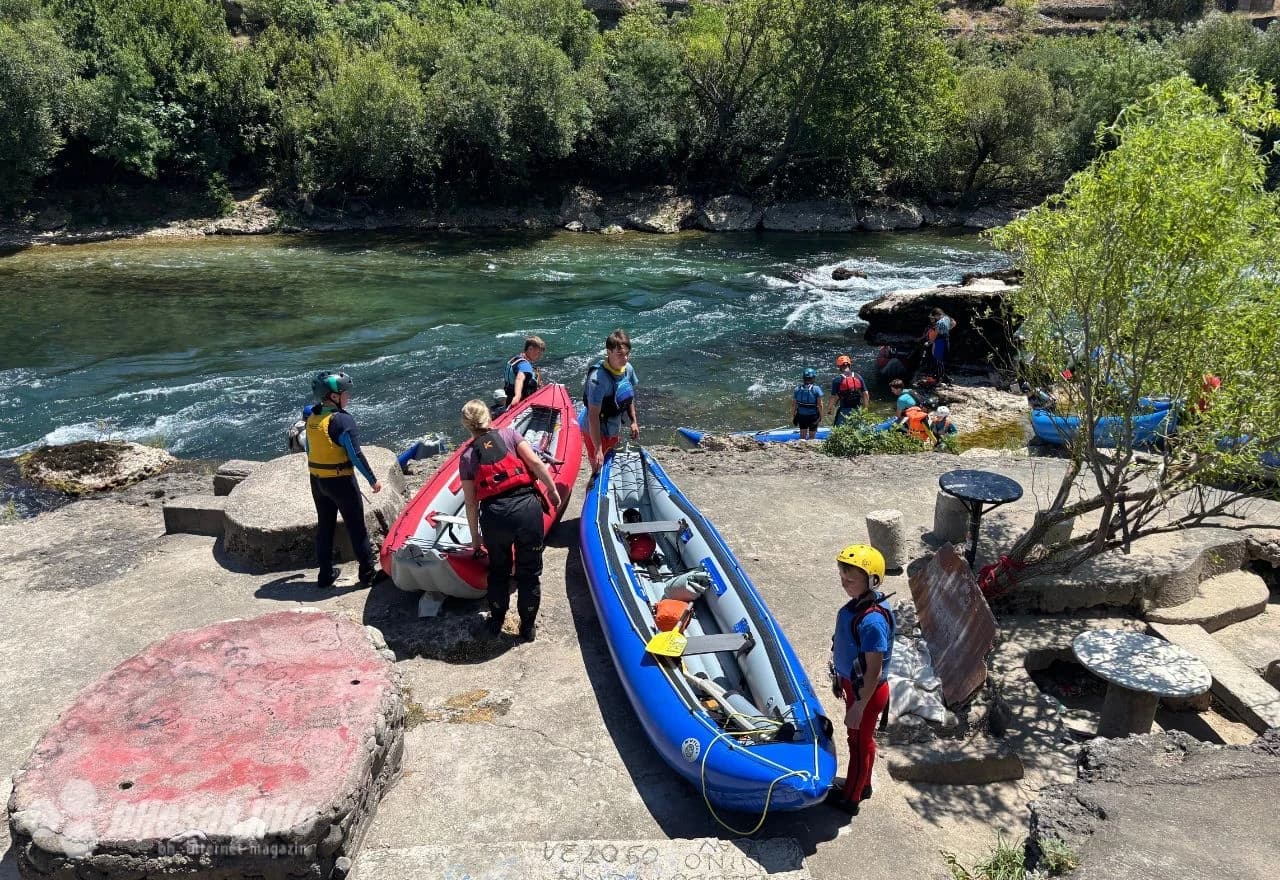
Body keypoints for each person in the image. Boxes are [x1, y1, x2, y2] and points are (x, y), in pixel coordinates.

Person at [460, 399, 562, 641]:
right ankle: (527, 627)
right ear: (489, 417)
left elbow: (471, 502)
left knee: (499, 571)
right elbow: (535, 463)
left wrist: (475, 538)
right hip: (526, 510)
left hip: (495, 517)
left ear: (467, 426)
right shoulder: (510, 435)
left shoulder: (467, 456)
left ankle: (496, 621)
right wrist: (552, 490)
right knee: (529, 573)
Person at [827, 544, 895, 815]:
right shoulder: (859, 606)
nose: (844, 583)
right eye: (842, 577)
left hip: (866, 693)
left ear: (872, 581)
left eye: (851, 580)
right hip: (856, 688)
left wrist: (858, 706)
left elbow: (874, 670)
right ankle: (863, 785)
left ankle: (850, 799)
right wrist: (839, 678)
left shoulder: (872, 622)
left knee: (857, 744)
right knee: (863, 740)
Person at [306, 371, 383, 589]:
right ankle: (367, 574)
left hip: (318, 481)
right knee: (357, 528)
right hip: (341, 483)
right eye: (344, 393)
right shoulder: (342, 420)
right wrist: (372, 480)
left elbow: (309, 450)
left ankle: (325, 575)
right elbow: (355, 455)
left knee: (325, 526)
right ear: (333, 396)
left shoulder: (312, 417)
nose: (348, 396)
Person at [578, 329, 640, 474]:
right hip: (594, 430)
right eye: (620, 354)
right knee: (598, 470)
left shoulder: (628, 369)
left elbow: (628, 395)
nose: (625, 358)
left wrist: (633, 421)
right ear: (608, 352)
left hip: (613, 427)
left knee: (611, 466)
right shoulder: (597, 380)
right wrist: (598, 448)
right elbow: (593, 416)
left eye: (627, 354)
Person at [504, 336, 546, 407]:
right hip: (521, 403)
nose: (540, 356)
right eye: (538, 353)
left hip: (509, 400)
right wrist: (517, 396)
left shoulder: (515, 359)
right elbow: (519, 378)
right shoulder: (525, 365)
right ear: (530, 349)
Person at [828, 355, 869, 427]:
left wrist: (829, 409)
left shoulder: (837, 379)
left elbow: (833, 397)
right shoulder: (858, 376)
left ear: (839, 366)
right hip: (857, 409)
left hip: (844, 410)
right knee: (858, 428)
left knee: (838, 429)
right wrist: (865, 408)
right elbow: (865, 393)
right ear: (849, 365)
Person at [924, 307, 955, 381]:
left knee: (937, 359)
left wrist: (929, 342)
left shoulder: (938, 323)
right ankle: (943, 376)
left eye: (934, 316)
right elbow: (954, 323)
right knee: (942, 359)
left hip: (939, 342)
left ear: (937, 315)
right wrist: (947, 329)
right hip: (946, 340)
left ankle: (938, 377)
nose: (934, 318)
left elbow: (935, 336)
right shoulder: (946, 318)